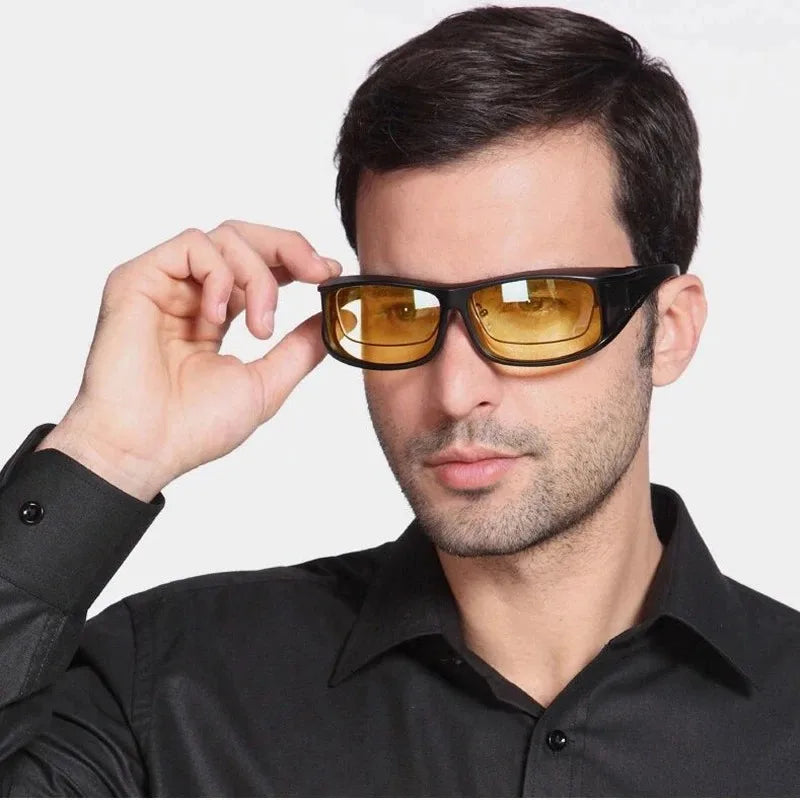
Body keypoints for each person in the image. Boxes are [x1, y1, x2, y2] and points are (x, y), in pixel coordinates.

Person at [0, 4, 797, 796]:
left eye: (533, 308)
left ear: (669, 330)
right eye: (400, 310)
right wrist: (105, 452)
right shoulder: (173, 695)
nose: (454, 391)